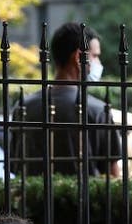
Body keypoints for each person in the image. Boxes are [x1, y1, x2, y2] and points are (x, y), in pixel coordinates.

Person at [11, 23, 123, 177]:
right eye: (95, 56)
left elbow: (16, 167)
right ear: (78, 57)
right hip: (86, 200)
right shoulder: (98, 111)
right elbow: (113, 177)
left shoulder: (23, 107)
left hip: (33, 200)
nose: (99, 63)